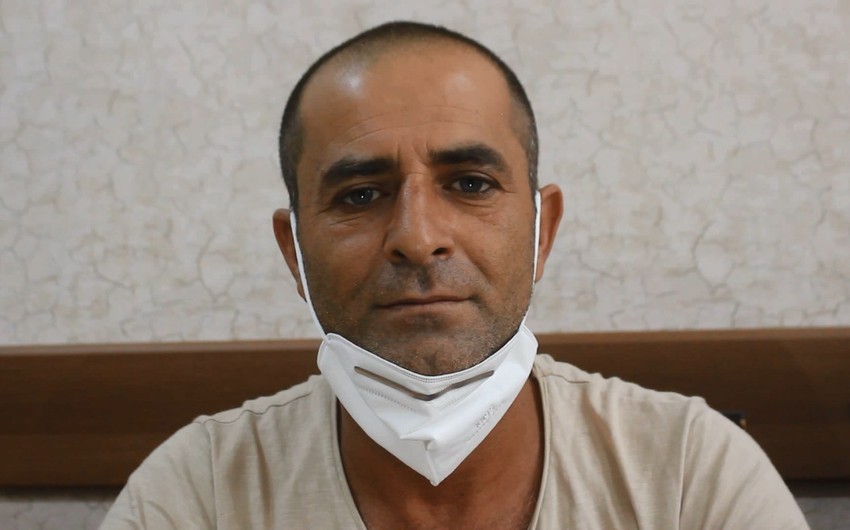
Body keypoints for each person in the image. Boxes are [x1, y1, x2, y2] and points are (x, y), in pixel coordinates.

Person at [101, 21, 809, 529]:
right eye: (360, 195)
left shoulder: (687, 475)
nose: (417, 239)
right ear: (294, 252)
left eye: (470, 184)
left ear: (542, 231)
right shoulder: (198, 496)